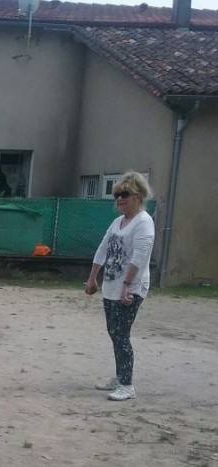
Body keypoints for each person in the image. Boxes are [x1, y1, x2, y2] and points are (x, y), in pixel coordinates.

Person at [85, 171, 155, 401]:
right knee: (114, 332)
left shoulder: (143, 222)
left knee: (121, 334)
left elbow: (139, 256)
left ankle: (127, 385)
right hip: (111, 286)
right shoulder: (118, 222)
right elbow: (103, 249)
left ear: (138, 196)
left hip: (131, 288)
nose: (119, 199)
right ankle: (119, 376)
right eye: (117, 195)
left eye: (125, 194)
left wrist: (127, 284)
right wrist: (92, 277)